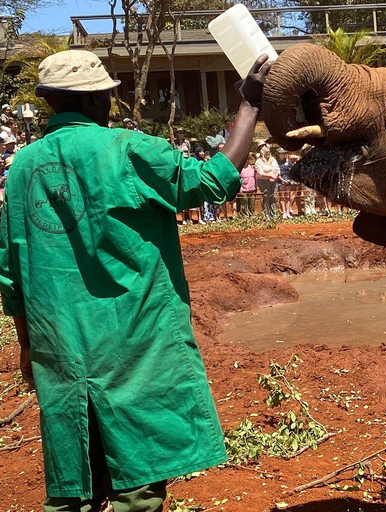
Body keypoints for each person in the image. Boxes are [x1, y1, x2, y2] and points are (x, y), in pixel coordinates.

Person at [0, 49, 272, 512]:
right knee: (138, 479)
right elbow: (212, 182)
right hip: (132, 341)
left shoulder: (22, 167)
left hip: (59, 343)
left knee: (74, 477)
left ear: (49, 102)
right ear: (96, 101)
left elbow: (10, 270)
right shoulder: (128, 149)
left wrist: (28, 345)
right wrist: (248, 106)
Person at [255, 142, 279, 221]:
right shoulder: (258, 161)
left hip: (273, 181)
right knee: (266, 197)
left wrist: (275, 176)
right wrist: (270, 175)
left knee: (273, 197)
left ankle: (273, 214)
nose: (268, 153)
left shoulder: (273, 160)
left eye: (269, 152)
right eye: (266, 152)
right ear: (262, 153)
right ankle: (266, 214)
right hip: (263, 181)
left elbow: (277, 170)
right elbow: (261, 172)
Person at [276, 148, 295, 219]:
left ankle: (287, 212)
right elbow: (276, 171)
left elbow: (292, 171)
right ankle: (283, 212)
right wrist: (282, 179)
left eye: (284, 153)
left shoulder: (288, 162)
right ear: (278, 154)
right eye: (281, 153)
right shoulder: (276, 162)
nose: (282, 155)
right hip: (280, 180)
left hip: (288, 180)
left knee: (287, 196)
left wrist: (289, 179)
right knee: (281, 196)